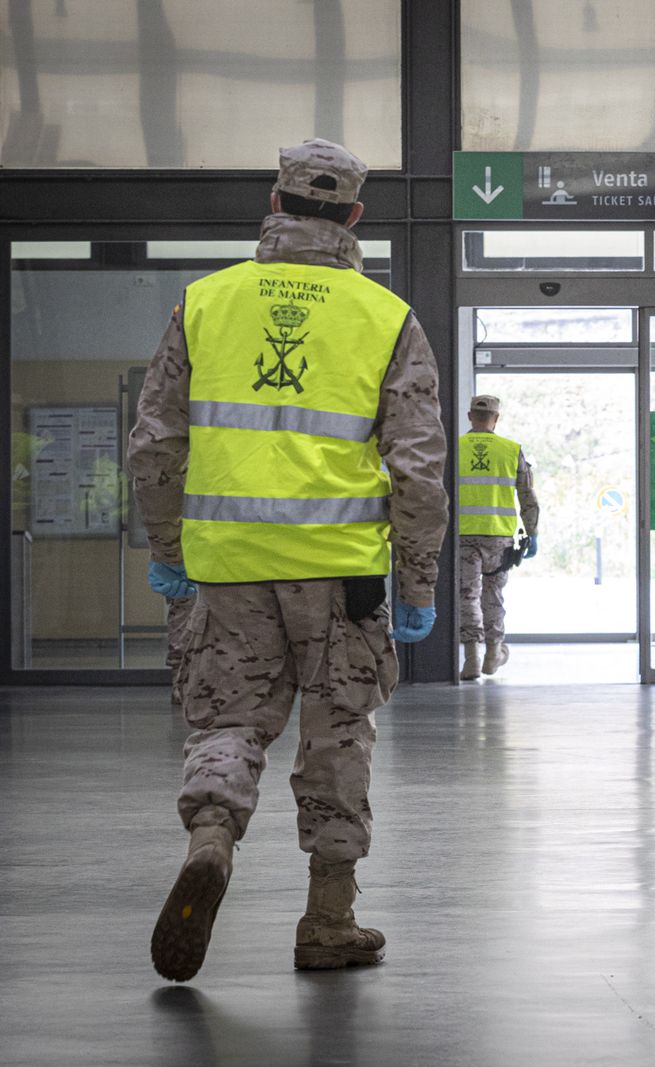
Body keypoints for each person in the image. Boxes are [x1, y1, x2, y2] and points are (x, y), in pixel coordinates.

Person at [129, 138, 449, 982]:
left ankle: (211, 839)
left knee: (227, 721)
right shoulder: (386, 317)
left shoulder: (203, 303)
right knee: (337, 732)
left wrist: (169, 550)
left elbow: (154, 445)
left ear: (274, 206)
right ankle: (328, 917)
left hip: (225, 566)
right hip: (341, 574)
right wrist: (416, 583)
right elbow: (418, 468)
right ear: (354, 217)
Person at [457, 394, 540, 679]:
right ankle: (493, 654)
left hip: (463, 535)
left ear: (470, 417)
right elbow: (527, 496)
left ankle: (470, 658)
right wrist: (533, 532)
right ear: (497, 418)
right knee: (492, 595)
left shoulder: (454, 448)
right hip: (499, 538)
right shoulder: (511, 450)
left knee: (467, 596)